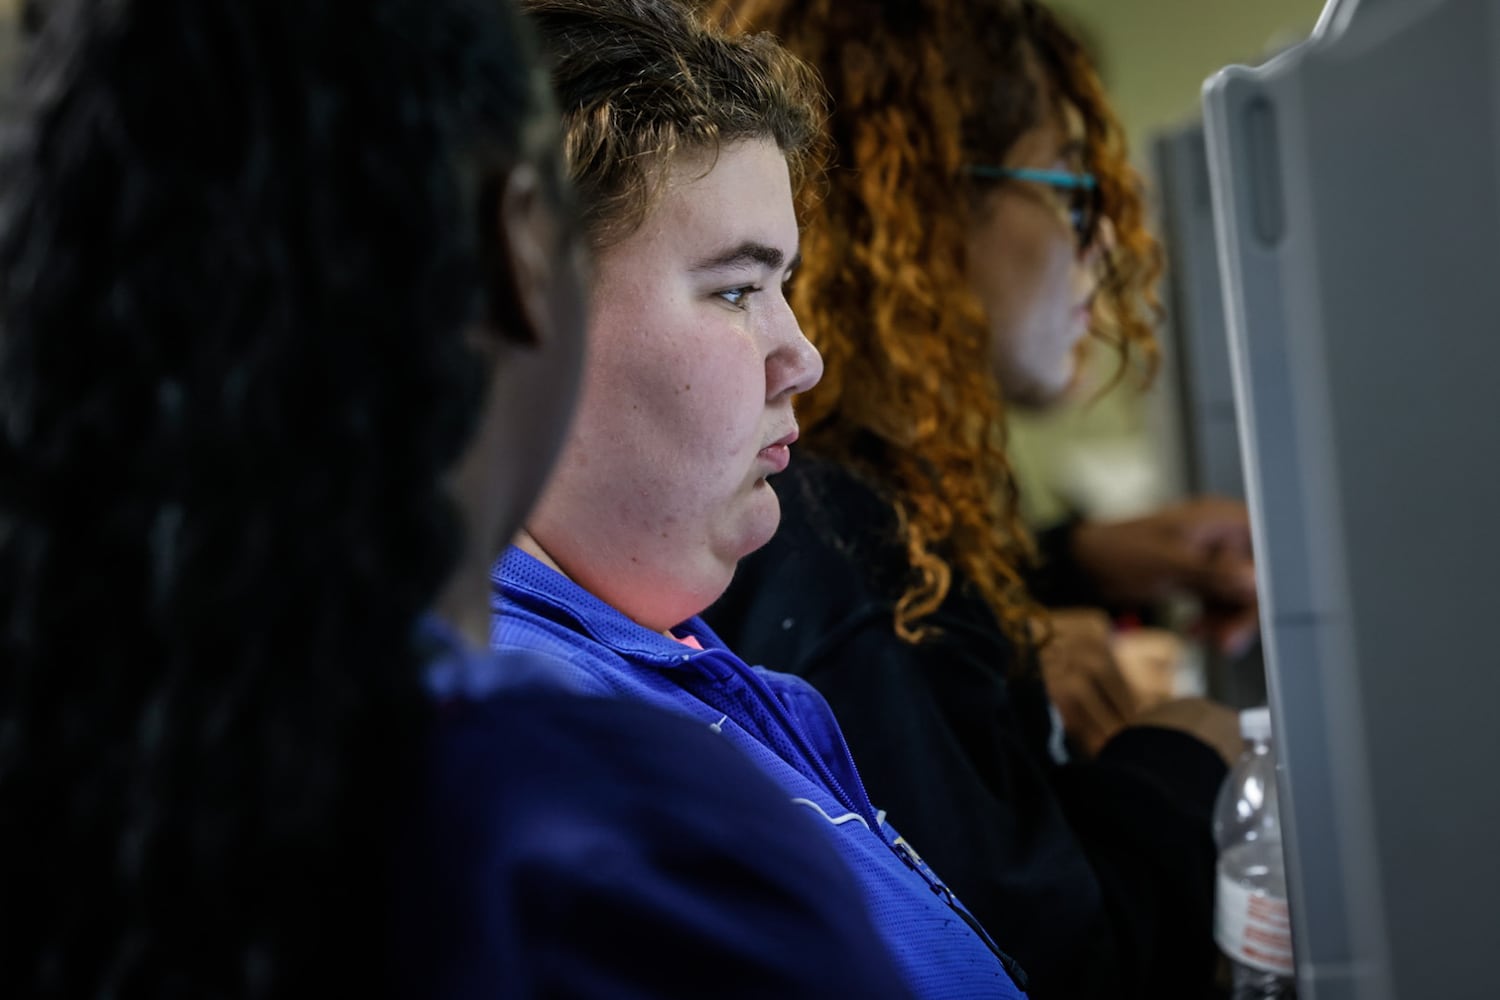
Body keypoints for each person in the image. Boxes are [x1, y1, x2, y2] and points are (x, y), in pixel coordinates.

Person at [0, 0, 903, 995]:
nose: (805, 356)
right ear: (517, 256)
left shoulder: (97, 752)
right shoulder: (605, 834)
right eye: (738, 289)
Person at [705, 0, 1243, 997]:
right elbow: (1039, 966)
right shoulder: (848, 555)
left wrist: (1081, 556)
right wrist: (1184, 760)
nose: (1103, 250)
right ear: (927, 206)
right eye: (1072, 196)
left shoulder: (825, 503)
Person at [492, 0, 1028, 995]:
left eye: (786, 285)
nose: (806, 357)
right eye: (738, 290)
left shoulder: (661, 659)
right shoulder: (551, 758)